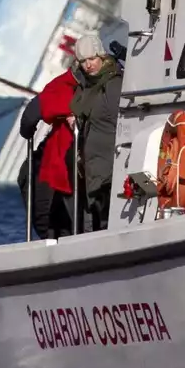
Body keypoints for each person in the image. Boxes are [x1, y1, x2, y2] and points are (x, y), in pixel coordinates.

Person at [69, 40, 126, 232]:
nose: (88, 65)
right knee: (92, 222)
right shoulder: (86, 86)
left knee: (103, 223)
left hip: (110, 168)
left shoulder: (112, 83)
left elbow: (122, 122)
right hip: (93, 168)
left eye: (92, 58)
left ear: (101, 56)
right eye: (83, 61)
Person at [19, 64, 77, 239]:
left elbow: (31, 115)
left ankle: (52, 243)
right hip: (85, 159)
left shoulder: (64, 85)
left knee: (45, 209)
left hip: (59, 163)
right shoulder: (113, 84)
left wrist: (27, 132)